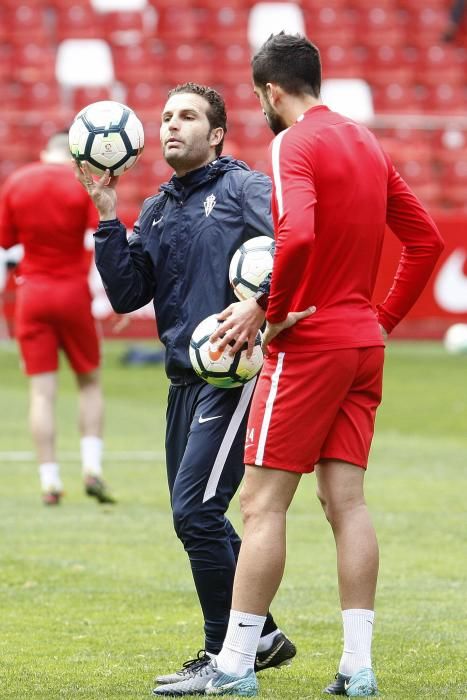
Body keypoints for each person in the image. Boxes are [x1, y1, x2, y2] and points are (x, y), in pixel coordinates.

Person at [171, 33, 445, 697]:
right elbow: (425, 240)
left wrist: (269, 307)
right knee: (345, 503)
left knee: (262, 505)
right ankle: (357, 667)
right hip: (361, 343)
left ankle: (234, 665)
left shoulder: (293, 141)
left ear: (270, 91)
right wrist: (379, 321)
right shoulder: (364, 141)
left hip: (312, 342)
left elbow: (297, 235)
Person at [73, 82, 296, 695]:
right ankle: (264, 635)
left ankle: (224, 652)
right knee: (195, 517)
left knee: (197, 512)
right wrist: (105, 212)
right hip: (182, 380)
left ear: (217, 133)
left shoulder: (246, 188)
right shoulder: (158, 207)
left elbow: (293, 245)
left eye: (188, 116)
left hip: (232, 372)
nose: (172, 125)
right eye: (166, 116)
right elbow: (125, 295)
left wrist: (262, 307)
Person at [0, 132, 115, 506]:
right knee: (89, 383)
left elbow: (5, 242)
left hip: (32, 294)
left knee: (41, 393)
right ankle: (92, 468)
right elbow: (100, 235)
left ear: (42, 149)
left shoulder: (16, 182)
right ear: (72, 155)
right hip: (72, 293)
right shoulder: (79, 182)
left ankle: (49, 480)